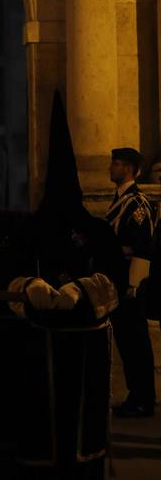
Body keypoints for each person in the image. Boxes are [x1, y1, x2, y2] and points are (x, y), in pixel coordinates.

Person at [7, 91, 124, 479]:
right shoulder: (29, 232)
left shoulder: (97, 231)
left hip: (86, 342)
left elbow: (115, 281)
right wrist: (30, 287)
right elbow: (11, 274)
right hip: (40, 342)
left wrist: (82, 289)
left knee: (81, 425)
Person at [106, 146, 156, 418]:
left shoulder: (137, 203)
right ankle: (135, 396)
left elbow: (142, 248)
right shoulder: (119, 201)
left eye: (115, 163)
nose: (111, 167)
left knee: (137, 343)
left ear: (127, 168)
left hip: (130, 284)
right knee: (127, 343)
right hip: (119, 280)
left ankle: (143, 400)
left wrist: (133, 285)